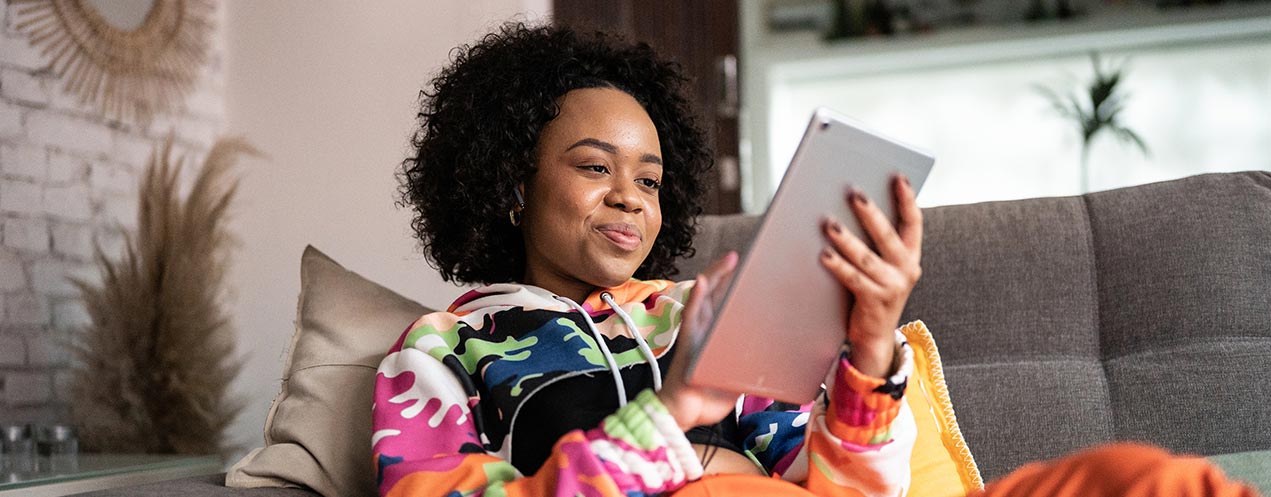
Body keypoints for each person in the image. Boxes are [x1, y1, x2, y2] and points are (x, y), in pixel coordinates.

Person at [373, 22, 1259, 497]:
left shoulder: (699, 305)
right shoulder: (446, 348)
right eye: (595, 168)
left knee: (1144, 477)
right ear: (510, 182)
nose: (631, 198)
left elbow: (851, 487)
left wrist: (870, 349)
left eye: (649, 178)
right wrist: (673, 417)